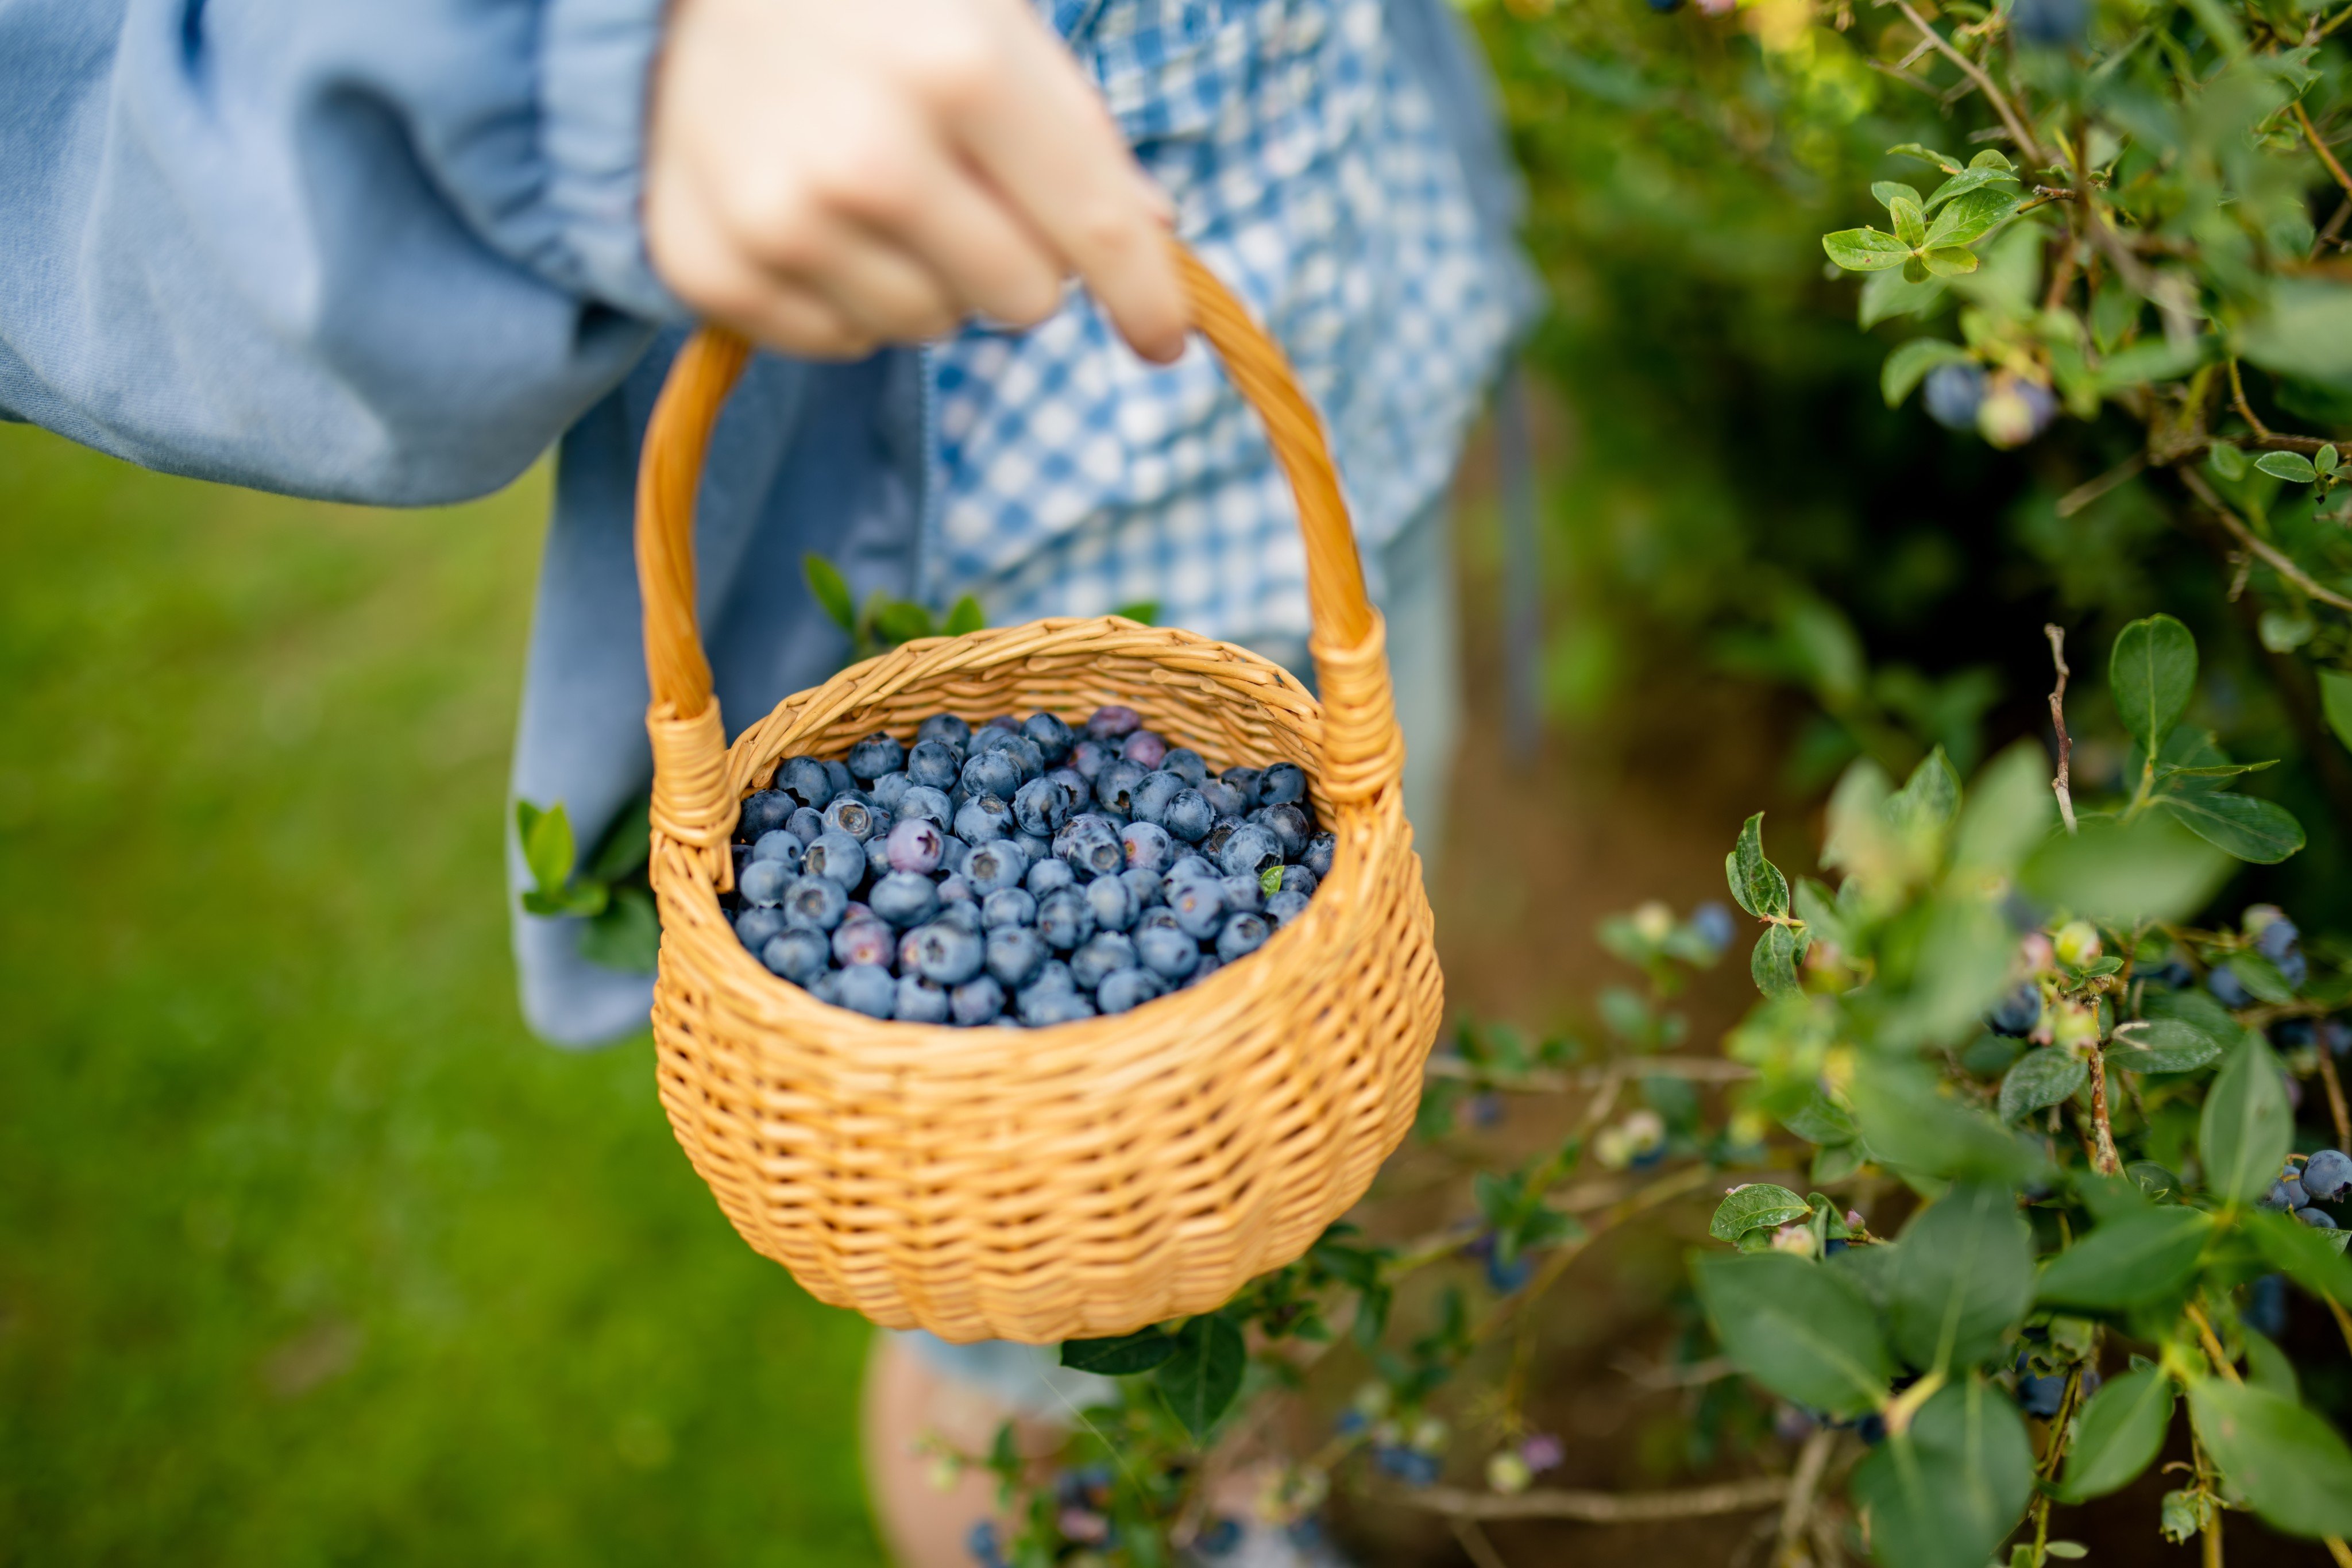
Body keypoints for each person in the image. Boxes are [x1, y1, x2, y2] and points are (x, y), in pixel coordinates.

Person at [1, 0, 1531, 1561]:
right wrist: (596, 76)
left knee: (1235, 1178)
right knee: (1000, 1332)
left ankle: (1223, 1490)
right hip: (978, 533)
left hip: (1344, 386)